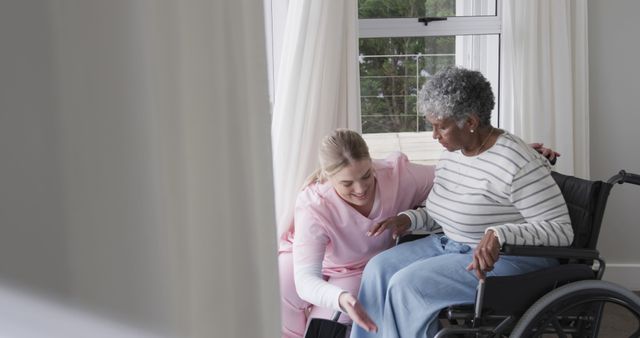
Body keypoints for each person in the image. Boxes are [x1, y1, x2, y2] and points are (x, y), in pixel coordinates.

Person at [349, 67, 573, 338]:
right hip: (452, 245)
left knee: (407, 286)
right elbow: (441, 211)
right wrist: (409, 219)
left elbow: (561, 231)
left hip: (507, 259)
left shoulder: (516, 162)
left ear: (470, 121)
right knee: (378, 269)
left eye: (440, 126)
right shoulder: (453, 154)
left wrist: (500, 233)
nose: (434, 135)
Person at [278, 128, 560, 338]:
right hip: (309, 261)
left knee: (329, 320)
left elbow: (457, 172)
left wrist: (517, 154)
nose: (361, 189)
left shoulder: (396, 175)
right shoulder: (314, 203)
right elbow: (306, 279)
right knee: (282, 288)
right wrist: (338, 297)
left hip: (354, 269)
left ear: (371, 163)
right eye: (347, 183)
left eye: (366, 176)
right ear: (328, 178)